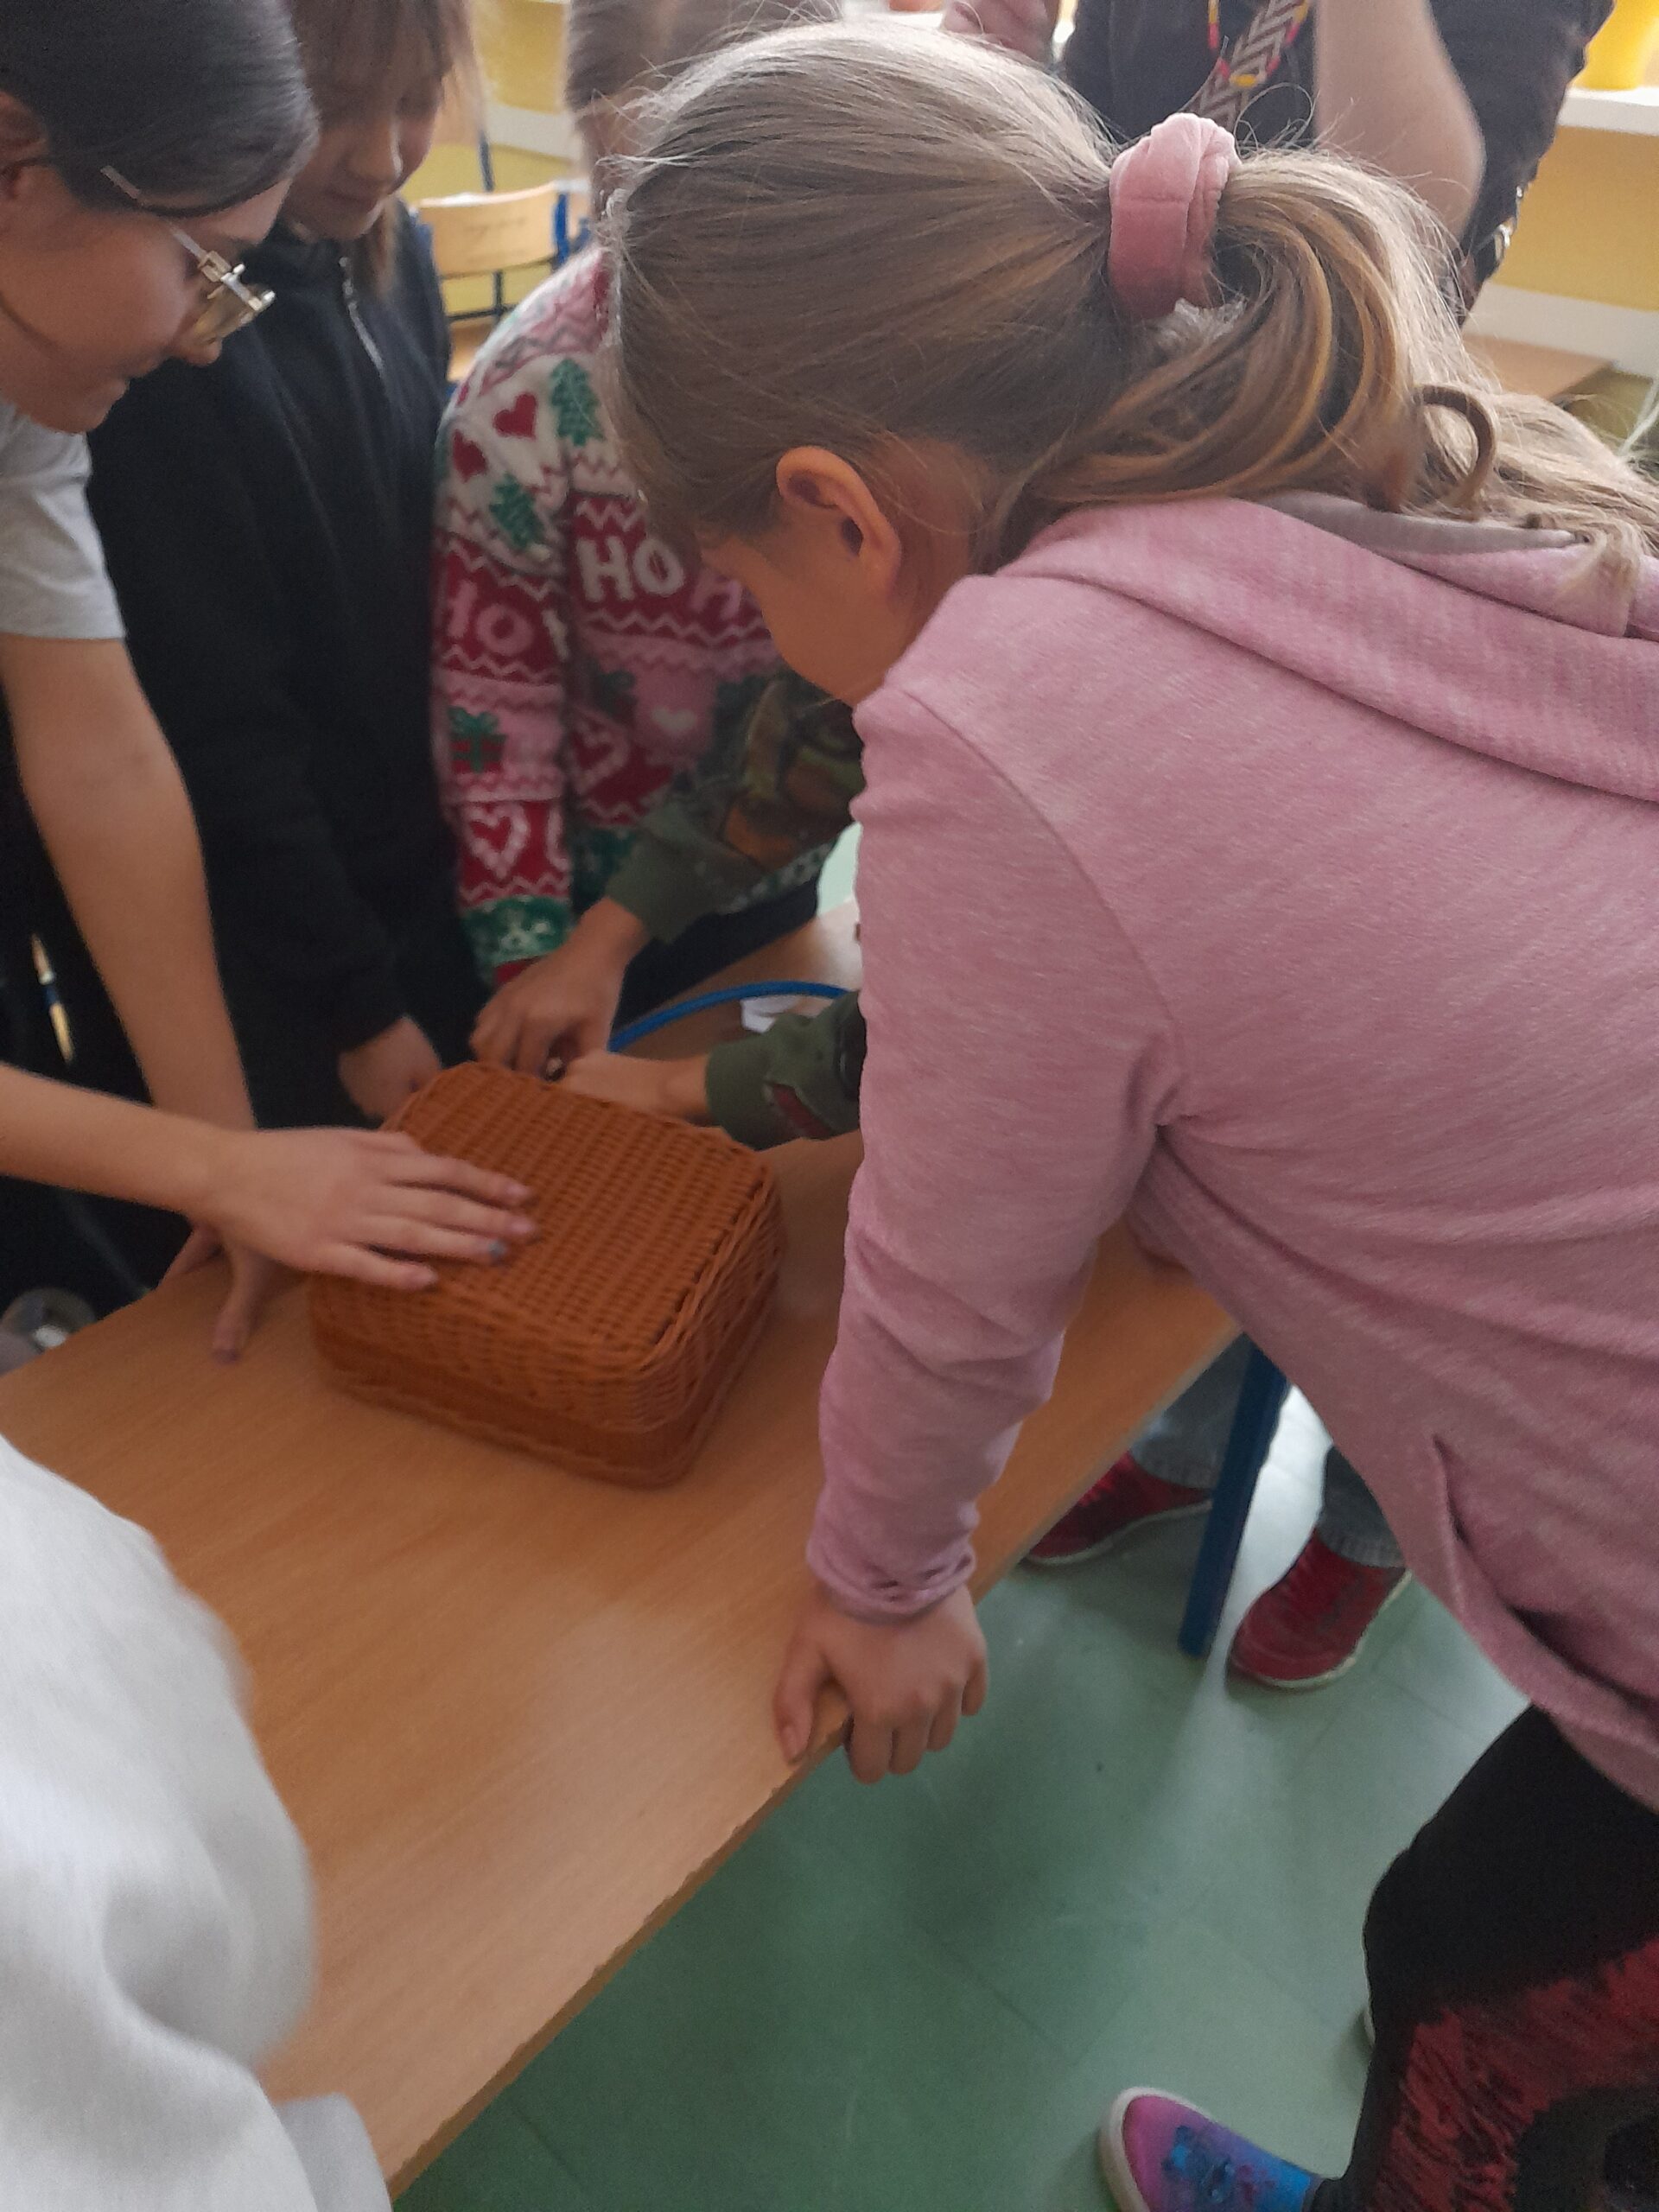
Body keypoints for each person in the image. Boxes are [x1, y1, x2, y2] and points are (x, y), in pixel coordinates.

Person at [601, 28, 1659, 2207]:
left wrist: (887, 1581)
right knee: (1475, 1931)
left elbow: (950, 1263)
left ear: (838, 509)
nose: (781, 639)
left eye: (755, 589)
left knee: (1487, 2026)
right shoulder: (1319, 441)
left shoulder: (1005, 708)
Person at [942, 0, 1614, 1685]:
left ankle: (1374, 1528)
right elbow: (1078, 195)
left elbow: (1417, 214)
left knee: (1376, 1125)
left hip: (1351, 522)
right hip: (1169, 512)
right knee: (1225, 1119)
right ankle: (1181, 1446)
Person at [0, 0, 534, 1358]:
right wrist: (216, 1168)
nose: (207, 335)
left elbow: (103, 761)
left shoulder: (35, 398)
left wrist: (227, 1161)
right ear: (16, 165)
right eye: (204, 267)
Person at [86, 0, 486, 1137]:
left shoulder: (399, 255)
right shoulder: (166, 344)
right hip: (269, 948)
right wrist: (355, 1002)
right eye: (333, 107)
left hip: (411, 891)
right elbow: (214, 725)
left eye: (416, 102)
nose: (382, 157)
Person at [435, 0, 846, 1085]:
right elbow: (495, 707)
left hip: (779, 858)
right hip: (585, 894)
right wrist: (534, 956)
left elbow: (835, 721)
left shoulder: (858, 378)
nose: (654, 262)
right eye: (620, 203)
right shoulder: (526, 403)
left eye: (702, 217)